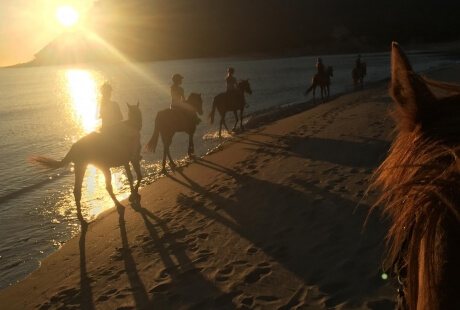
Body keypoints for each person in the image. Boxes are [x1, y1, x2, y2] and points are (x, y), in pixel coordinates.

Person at [98, 82, 141, 161]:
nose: (111, 93)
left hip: (104, 129)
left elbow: (102, 117)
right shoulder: (114, 104)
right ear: (109, 93)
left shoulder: (102, 104)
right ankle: (134, 156)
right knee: (137, 135)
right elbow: (120, 117)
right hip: (115, 128)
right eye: (110, 92)